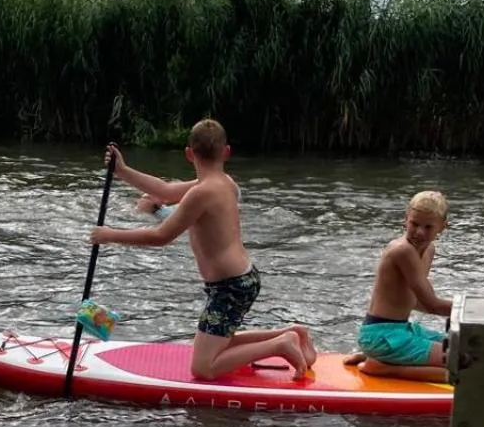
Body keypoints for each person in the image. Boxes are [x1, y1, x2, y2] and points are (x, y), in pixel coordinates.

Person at [88, 119, 316, 380]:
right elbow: (165, 190)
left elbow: (161, 235)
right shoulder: (225, 182)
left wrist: (110, 235)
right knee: (216, 343)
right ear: (226, 152)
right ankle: (293, 334)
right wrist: (123, 171)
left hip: (230, 287)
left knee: (203, 367)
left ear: (188, 154)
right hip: (240, 280)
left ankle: (281, 344)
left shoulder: (201, 193)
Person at [349, 190, 452, 382]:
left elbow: (415, 302)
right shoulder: (402, 250)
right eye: (414, 224)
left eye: (428, 227)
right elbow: (432, 305)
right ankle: (385, 368)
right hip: (382, 336)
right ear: (406, 219)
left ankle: (379, 357)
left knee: (466, 348)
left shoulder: (428, 249)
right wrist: (475, 312)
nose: (419, 232)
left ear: (442, 227)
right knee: (462, 362)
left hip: (400, 331)